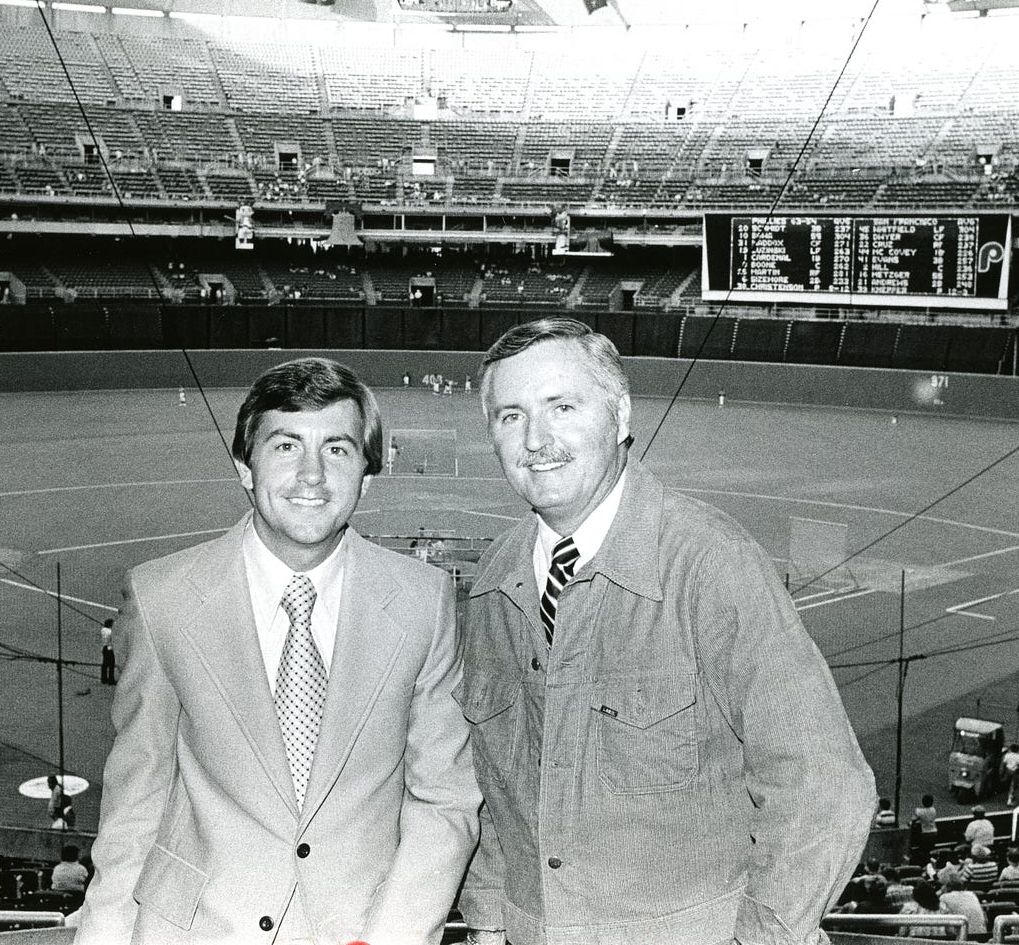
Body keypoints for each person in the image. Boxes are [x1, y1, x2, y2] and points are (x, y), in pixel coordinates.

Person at [458, 318, 875, 945]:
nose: (537, 439)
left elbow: (823, 785)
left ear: (620, 415)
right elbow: (495, 789)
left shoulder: (711, 563)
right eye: (510, 416)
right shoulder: (495, 580)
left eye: (562, 407)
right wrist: (489, 919)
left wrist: (758, 939)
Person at [76, 357, 481, 945]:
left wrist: (390, 937)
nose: (311, 475)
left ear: (367, 475)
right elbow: (135, 802)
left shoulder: (425, 601)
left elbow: (444, 798)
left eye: (338, 449)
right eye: (286, 446)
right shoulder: (160, 596)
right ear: (246, 466)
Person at [937, 871, 987, 938]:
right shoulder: (971, 894)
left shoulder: (944, 897)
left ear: (947, 886)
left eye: (941, 885)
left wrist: (938, 894)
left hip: (963, 939)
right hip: (982, 937)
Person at [100, 619, 116, 685]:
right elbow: (113, 639)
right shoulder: (110, 632)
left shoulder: (103, 630)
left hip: (104, 648)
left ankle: (104, 679)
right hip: (109, 648)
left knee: (105, 664)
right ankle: (111, 680)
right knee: (111, 665)